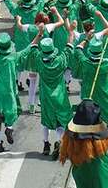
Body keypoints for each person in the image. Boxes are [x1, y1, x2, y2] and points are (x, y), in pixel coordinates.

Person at [28, 30, 74, 160]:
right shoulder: (59, 61)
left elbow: (32, 47)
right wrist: (70, 34)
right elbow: (69, 49)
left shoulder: (39, 60)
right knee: (61, 121)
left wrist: (39, 35)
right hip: (59, 94)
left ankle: (46, 144)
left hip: (45, 94)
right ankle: (59, 141)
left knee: (46, 120)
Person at [0, 29, 30, 153]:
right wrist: (38, 36)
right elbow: (28, 50)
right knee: (13, 110)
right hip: (10, 90)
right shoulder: (13, 57)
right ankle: (9, 127)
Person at [59, 99, 108, 188]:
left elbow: (66, 153)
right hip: (99, 174)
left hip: (81, 173)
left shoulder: (72, 140)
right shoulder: (101, 142)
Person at [75, 34, 108, 132]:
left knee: (90, 122)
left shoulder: (85, 62)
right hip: (105, 97)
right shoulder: (107, 63)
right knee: (107, 122)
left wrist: (87, 39)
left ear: (90, 51)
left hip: (88, 96)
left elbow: (78, 49)